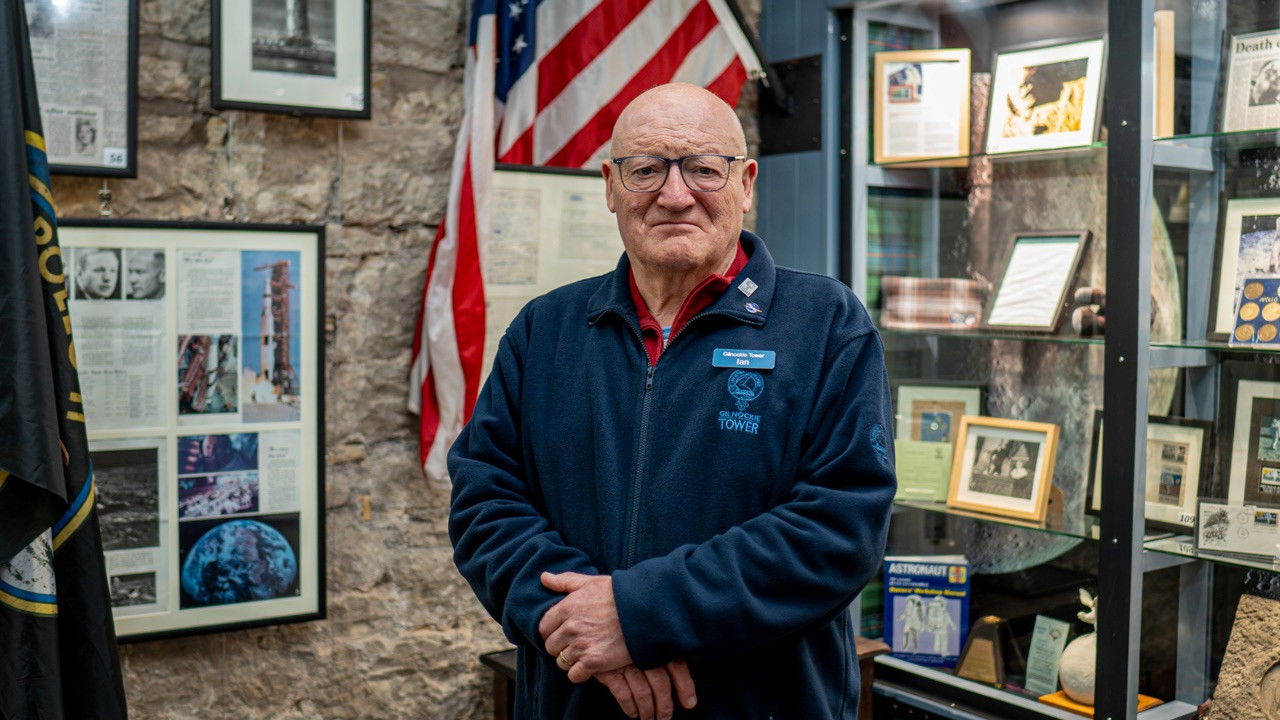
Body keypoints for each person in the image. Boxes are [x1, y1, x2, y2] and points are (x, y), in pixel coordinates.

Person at [449, 83, 895, 720]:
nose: (675, 193)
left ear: (746, 183)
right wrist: (574, 623)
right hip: (577, 700)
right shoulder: (544, 330)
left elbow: (839, 528)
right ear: (610, 185)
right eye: (646, 169)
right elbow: (484, 499)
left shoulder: (827, 326)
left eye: (703, 169)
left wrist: (638, 615)